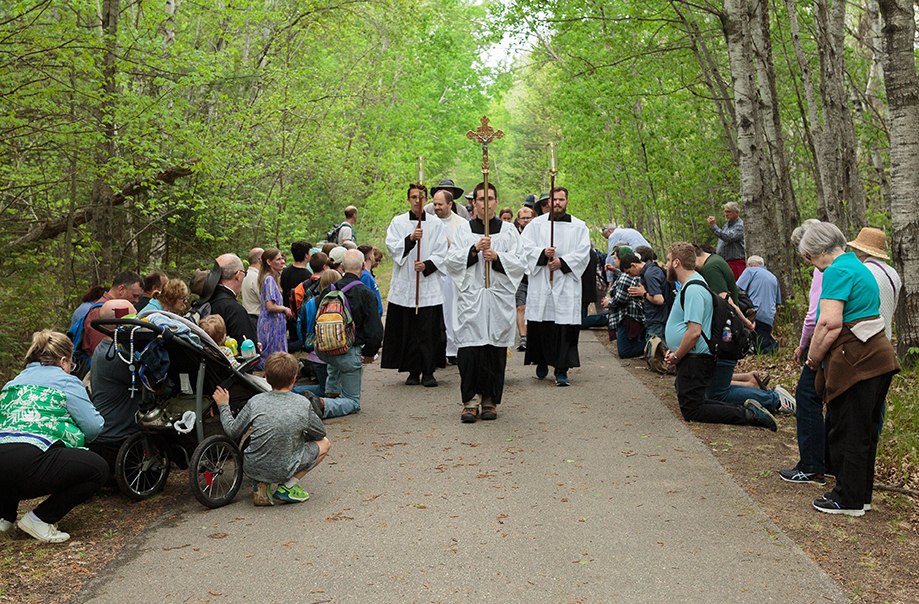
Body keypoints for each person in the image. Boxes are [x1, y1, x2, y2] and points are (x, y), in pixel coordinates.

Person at [798, 222, 899, 516]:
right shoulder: (860, 267)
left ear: (820, 251)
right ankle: (861, 494)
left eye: (810, 258)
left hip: (856, 360)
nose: (813, 265)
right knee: (865, 430)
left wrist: (813, 359)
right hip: (879, 355)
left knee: (847, 429)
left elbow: (829, 323)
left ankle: (846, 499)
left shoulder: (836, 271)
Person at [0, 330, 107, 543]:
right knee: (98, 468)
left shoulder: (12, 384)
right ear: (64, 360)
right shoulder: (66, 381)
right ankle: (41, 518)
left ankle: (5, 519)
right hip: (29, 465)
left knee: (14, 449)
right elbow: (94, 427)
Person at [663, 242, 777, 431]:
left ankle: (751, 414)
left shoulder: (693, 289)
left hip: (695, 357)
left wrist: (677, 356)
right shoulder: (691, 285)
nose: (666, 265)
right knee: (697, 402)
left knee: (693, 409)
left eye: (668, 260)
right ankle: (749, 411)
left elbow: (694, 332)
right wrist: (675, 350)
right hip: (691, 355)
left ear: (676, 262)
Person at [445, 182, 526, 422]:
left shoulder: (510, 231)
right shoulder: (463, 230)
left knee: (494, 349)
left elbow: (520, 263)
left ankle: (490, 399)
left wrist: (498, 257)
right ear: (474, 203)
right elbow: (451, 262)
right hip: (471, 298)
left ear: (496, 202)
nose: (486, 203)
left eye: (490, 198)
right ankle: (471, 401)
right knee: (470, 350)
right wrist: (473, 250)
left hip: (498, 298)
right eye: (481, 199)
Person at [214, 352, 331, 505]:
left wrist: (223, 406)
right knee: (325, 443)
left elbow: (232, 431)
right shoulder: (302, 404)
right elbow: (320, 433)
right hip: (284, 468)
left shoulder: (255, 401)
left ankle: (262, 482)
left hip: (253, 467)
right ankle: (287, 487)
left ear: (267, 379)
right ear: (294, 379)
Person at [693, 244, 792, 415]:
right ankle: (751, 381)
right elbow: (776, 303)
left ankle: (773, 398)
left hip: (734, 327)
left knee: (717, 392)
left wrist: (746, 322)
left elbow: (730, 297)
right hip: (763, 318)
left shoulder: (716, 269)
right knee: (714, 383)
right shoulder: (772, 277)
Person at [521, 186, 591, 386]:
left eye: (562, 199)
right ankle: (541, 360)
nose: (558, 203)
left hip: (566, 283)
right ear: (549, 202)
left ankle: (562, 368)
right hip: (543, 281)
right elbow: (524, 247)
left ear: (567, 202)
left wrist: (563, 262)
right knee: (542, 325)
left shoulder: (579, 226)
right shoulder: (535, 225)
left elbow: (584, 252)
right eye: (555, 199)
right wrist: (543, 254)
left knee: (564, 328)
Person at [382, 183, 449, 387]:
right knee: (408, 329)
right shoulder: (398, 222)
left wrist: (427, 264)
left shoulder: (436, 224)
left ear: (426, 199)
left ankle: (429, 371)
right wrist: (410, 239)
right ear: (408, 199)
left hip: (427, 285)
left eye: (421, 197)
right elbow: (392, 247)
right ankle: (412, 371)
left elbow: (442, 251)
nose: (417, 201)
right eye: (413, 197)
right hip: (406, 283)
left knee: (428, 330)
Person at [780, 219, 828, 486]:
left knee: (807, 397)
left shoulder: (822, 271)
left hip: (821, 342)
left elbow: (814, 315)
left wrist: (803, 345)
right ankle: (825, 462)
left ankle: (811, 466)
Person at [315, 250, 384, 417]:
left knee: (335, 363)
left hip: (325, 350)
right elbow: (375, 331)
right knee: (352, 402)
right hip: (349, 352)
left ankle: (331, 394)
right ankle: (322, 404)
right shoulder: (365, 293)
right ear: (362, 266)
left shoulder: (328, 290)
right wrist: (369, 353)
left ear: (343, 267)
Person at [88, 299, 143, 475]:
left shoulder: (106, 347)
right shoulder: (116, 356)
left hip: (108, 436)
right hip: (117, 441)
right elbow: (149, 382)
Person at [847, 227, 901, 342]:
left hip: (865, 339)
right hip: (886, 337)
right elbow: (893, 307)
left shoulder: (862, 271)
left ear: (859, 251)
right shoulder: (893, 273)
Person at [431, 188, 467, 363]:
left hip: (452, 275)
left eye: (439, 204)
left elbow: (465, 250)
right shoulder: (429, 222)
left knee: (452, 311)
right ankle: (437, 350)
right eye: (434, 204)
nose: (436, 207)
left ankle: (453, 350)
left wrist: (448, 242)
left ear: (450, 204)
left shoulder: (461, 224)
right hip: (433, 273)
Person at [294, 269, 342, 398]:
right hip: (338, 350)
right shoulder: (341, 301)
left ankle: (292, 390)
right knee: (329, 389)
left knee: (325, 387)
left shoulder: (311, 303)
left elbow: (301, 325)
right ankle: (293, 391)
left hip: (316, 352)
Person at [79, 271, 143, 360]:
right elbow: (101, 351)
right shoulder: (100, 311)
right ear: (121, 289)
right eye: (134, 295)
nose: (136, 301)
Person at [211, 253, 259, 346]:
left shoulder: (207, 300)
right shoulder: (235, 310)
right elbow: (249, 351)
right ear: (238, 275)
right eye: (243, 274)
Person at [736, 256, 781, 353]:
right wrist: (771, 329)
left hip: (753, 317)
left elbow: (736, 291)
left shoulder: (750, 271)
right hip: (767, 320)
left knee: (748, 348)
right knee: (761, 348)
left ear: (750, 264)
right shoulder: (774, 278)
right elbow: (776, 305)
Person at [604, 254, 646, 358]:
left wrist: (608, 303)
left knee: (624, 352)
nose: (613, 261)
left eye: (615, 258)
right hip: (628, 316)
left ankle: (655, 344)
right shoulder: (626, 274)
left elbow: (620, 299)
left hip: (628, 316)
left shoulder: (626, 277)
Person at [257, 248, 292, 365]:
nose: (282, 261)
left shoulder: (271, 278)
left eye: (282, 258)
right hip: (271, 325)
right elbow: (270, 306)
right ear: (269, 262)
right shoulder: (269, 280)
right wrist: (285, 309)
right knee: (273, 360)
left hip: (273, 323)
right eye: (278, 259)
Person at [626, 250, 668, 339]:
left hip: (657, 320)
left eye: (629, 272)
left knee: (655, 350)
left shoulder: (650, 274)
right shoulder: (649, 271)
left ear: (633, 265)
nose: (630, 276)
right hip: (655, 319)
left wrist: (643, 293)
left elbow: (659, 299)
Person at [281, 241, 313, 343]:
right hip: (300, 316)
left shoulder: (285, 272)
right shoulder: (307, 276)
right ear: (306, 255)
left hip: (288, 312)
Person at [707, 202, 746, 280]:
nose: (726, 214)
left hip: (736, 264)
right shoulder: (727, 225)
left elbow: (728, 237)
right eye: (725, 212)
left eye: (729, 212)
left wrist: (714, 227)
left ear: (737, 212)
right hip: (726, 263)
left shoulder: (740, 225)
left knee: (737, 289)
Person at [515, 207, 535, 351]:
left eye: (528, 218)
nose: (526, 221)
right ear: (518, 220)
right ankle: (523, 337)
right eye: (523, 218)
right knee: (520, 306)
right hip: (520, 276)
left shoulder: (537, 234)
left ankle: (533, 336)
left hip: (535, 274)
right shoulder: (514, 235)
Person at [240, 247, 264, 337]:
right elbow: (264, 300)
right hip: (255, 318)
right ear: (260, 259)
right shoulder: (256, 277)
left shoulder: (245, 275)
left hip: (248, 316)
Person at [357, 244, 383, 317]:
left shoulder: (368, 274)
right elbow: (366, 300)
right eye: (373, 255)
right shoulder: (365, 276)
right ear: (370, 257)